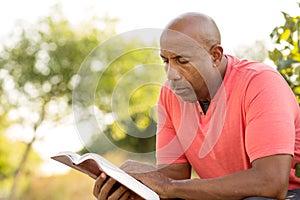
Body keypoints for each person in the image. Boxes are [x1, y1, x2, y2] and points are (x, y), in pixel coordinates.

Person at [93, 12, 300, 199]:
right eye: (166, 61)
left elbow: (271, 183)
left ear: (215, 56)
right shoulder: (169, 95)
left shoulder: (260, 83)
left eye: (182, 61)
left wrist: (170, 187)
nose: (171, 74)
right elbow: (174, 176)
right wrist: (134, 185)